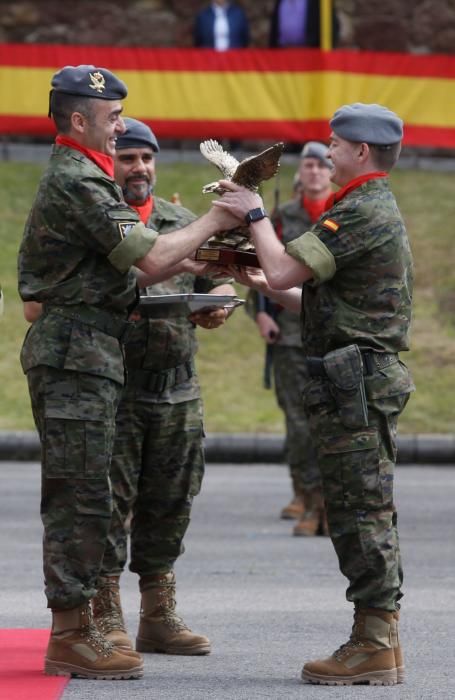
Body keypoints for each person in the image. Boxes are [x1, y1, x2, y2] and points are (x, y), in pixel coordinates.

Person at [17, 64, 238, 681]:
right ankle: (73, 633)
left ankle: (85, 626)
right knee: (80, 498)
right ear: (80, 118)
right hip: (75, 353)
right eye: (113, 119)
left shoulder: (84, 176)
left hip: (92, 354)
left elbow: (143, 268)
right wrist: (220, 219)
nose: (118, 130)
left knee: (91, 495)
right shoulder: (78, 179)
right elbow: (151, 256)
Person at [211, 103, 414, 686]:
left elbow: (282, 272)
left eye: (336, 144)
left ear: (361, 153)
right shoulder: (365, 206)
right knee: (358, 507)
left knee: (359, 511)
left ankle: (374, 641)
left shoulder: (360, 208)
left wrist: (252, 212)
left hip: (356, 382)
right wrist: (263, 280)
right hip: (357, 374)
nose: (327, 151)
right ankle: (379, 641)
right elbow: (316, 300)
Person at [92, 118, 235, 655]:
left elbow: (215, 273)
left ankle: (159, 614)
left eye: (147, 158)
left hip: (177, 389)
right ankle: (106, 615)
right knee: (110, 503)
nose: (140, 168)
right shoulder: (102, 220)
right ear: (111, 163)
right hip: (117, 389)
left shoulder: (180, 220)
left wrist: (218, 300)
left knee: (171, 501)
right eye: (129, 158)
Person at [248, 142, 332, 536]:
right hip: (290, 334)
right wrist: (262, 313)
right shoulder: (283, 217)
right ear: (302, 174)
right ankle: (307, 493)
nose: (315, 172)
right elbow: (262, 265)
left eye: (322, 165)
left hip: (331, 333)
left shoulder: (342, 214)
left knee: (330, 422)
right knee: (298, 423)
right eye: (309, 165)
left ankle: (329, 502)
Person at [269, 0, 339, 48]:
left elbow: (332, 27)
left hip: (308, 54)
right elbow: (274, 29)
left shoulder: (319, 2)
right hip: (282, 52)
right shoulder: (280, 2)